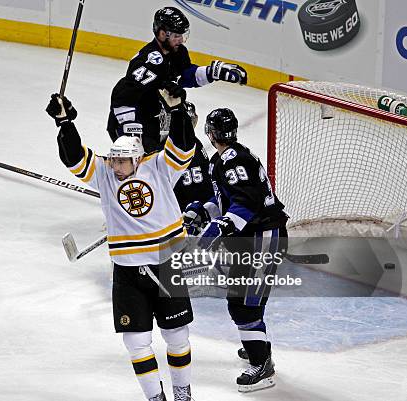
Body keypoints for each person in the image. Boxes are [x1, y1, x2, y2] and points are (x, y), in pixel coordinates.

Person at [47, 89, 196, 401]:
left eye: (123, 161)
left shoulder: (158, 167)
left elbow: (183, 145)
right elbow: (74, 157)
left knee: (177, 336)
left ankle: (183, 393)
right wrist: (65, 123)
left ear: (138, 158)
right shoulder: (104, 174)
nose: (116, 166)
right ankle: (156, 398)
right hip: (128, 273)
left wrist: (179, 110)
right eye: (114, 160)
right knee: (136, 342)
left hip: (166, 264)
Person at [186, 108, 288, 392]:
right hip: (253, 238)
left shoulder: (233, 161)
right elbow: (223, 200)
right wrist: (200, 212)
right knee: (246, 301)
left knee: (243, 305)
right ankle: (258, 346)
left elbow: (246, 201)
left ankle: (261, 365)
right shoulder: (223, 159)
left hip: (263, 238)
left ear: (210, 132)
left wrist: (222, 227)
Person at [108, 6, 248, 152]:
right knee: (143, 168)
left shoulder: (178, 52)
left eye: (182, 35)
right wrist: (130, 129)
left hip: (155, 118)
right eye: (176, 35)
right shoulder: (147, 61)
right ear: (162, 34)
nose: (181, 40)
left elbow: (187, 75)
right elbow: (123, 95)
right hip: (132, 121)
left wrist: (213, 72)